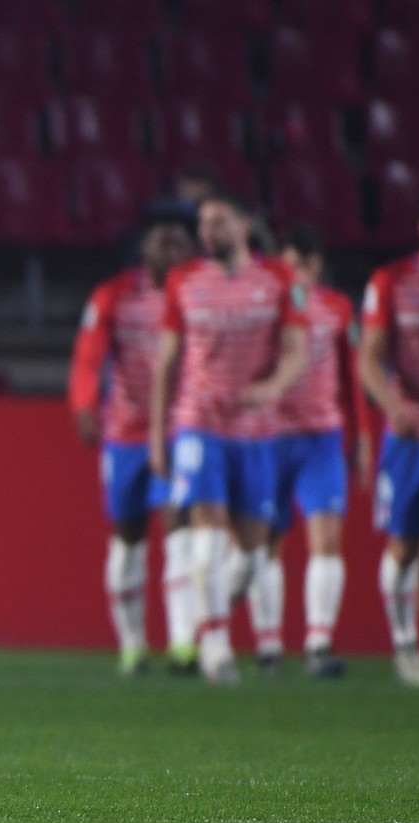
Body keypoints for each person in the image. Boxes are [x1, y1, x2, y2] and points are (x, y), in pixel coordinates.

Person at [148, 193, 310, 685]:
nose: (208, 230)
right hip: (200, 423)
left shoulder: (281, 279)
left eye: (218, 221)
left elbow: (298, 349)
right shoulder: (184, 281)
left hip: (258, 430)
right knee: (205, 532)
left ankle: (214, 614)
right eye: (203, 222)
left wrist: (273, 389)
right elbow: (167, 363)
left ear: (244, 224)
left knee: (252, 552)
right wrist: (159, 435)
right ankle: (216, 646)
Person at [68, 217, 197, 676]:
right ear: (143, 249)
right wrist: (85, 404)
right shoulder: (114, 295)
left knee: (180, 529)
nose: (168, 245)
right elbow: (89, 355)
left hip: (181, 429)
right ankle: (132, 644)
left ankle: (184, 644)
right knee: (128, 536)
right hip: (124, 433)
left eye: (178, 239)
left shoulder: (198, 295)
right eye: (161, 238)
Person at [244, 224, 371, 679]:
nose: (298, 271)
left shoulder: (337, 308)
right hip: (270, 433)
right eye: (291, 262)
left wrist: (361, 436)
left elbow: (351, 377)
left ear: (318, 266)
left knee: (327, 540)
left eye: (306, 262)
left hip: (321, 437)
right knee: (267, 541)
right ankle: (269, 645)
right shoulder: (264, 306)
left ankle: (318, 642)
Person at [357, 189, 419, 686]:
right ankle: (405, 645)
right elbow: (369, 356)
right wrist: (393, 407)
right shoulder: (391, 282)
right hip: (409, 437)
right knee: (406, 547)